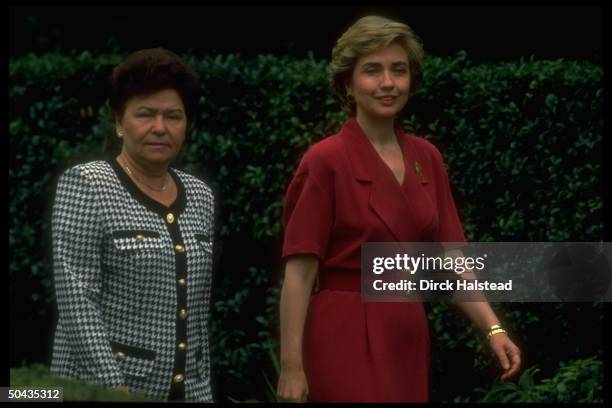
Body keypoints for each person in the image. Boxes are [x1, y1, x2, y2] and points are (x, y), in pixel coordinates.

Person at [277, 16, 522, 402]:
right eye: (372, 70)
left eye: (399, 70)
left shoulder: (428, 158)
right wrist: (292, 368)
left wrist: (494, 330)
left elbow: (451, 259)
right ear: (348, 83)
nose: (388, 83)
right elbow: (299, 276)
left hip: (407, 331)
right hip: (342, 330)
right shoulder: (324, 161)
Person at [50, 48, 215, 402]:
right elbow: (78, 299)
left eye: (173, 116)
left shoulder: (200, 195)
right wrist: (111, 386)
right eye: (145, 114)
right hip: (106, 389)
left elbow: (198, 314)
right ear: (119, 121)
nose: (160, 127)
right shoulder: (87, 184)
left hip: (189, 391)